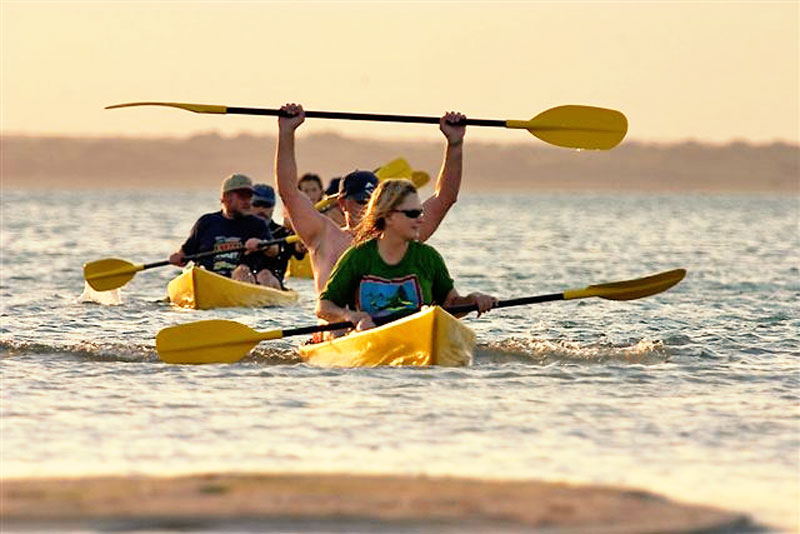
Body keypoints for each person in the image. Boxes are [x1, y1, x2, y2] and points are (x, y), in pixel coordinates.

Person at [275, 102, 467, 295]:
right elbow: (289, 192)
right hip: (337, 323)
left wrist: (455, 144)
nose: (369, 209)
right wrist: (286, 132)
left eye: (374, 203)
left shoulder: (399, 233)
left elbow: (445, 197)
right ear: (343, 204)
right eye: (362, 202)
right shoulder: (323, 235)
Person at [316, 179, 497, 330]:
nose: (421, 219)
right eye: (412, 213)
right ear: (388, 217)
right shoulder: (358, 257)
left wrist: (473, 299)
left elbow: (450, 305)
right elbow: (324, 307)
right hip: (370, 339)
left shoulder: (428, 257)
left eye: (420, 212)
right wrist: (351, 316)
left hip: (416, 334)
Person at [169, 173, 282, 288]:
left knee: (242, 271)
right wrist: (177, 257)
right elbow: (186, 253)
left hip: (241, 277)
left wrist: (262, 244)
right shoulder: (206, 222)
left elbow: (274, 250)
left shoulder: (257, 224)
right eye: (243, 196)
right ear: (226, 197)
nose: (248, 201)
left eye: (250, 196)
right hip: (208, 278)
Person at [250, 183, 304, 285]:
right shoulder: (239, 229)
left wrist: (302, 245)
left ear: (273, 207)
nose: (261, 210)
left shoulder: (283, 233)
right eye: (257, 204)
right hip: (243, 279)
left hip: (272, 282)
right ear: (249, 205)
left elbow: (299, 248)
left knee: (265, 275)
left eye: (266, 205)